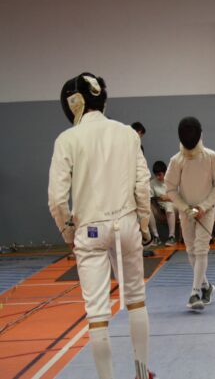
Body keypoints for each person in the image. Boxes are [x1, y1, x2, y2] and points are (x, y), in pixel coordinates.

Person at [48, 73, 156, 379]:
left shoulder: (67, 139)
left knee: (97, 315)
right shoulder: (127, 134)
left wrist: (68, 233)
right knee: (136, 299)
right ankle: (140, 372)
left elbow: (56, 199)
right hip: (127, 224)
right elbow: (142, 186)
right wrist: (144, 225)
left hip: (89, 230)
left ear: (72, 104)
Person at [165, 117, 215, 310]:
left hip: (205, 212)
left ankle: (195, 293)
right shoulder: (176, 161)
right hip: (187, 212)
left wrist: (203, 207)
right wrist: (186, 208)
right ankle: (206, 287)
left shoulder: (211, 157)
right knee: (190, 250)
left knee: (200, 249)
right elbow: (171, 189)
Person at [148, 161, 177, 246]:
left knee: (168, 205)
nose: (158, 177)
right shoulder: (152, 183)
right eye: (156, 175)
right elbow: (150, 198)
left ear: (165, 172)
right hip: (160, 208)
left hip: (174, 207)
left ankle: (172, 236)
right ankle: (156, 237)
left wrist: (169, 198)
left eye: (160, 174)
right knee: (147, 207)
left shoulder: (172, 180)